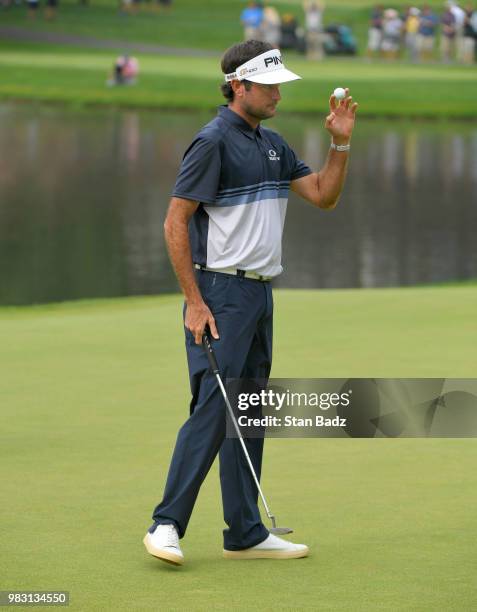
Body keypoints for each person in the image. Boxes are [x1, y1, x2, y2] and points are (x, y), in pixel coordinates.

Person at [143, 40, 358, 566]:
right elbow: (175, 220)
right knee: (214, 408)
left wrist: (340, 146)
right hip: (219, 292)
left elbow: (324, 196)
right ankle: (166, 524)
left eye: (279, 85)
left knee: (250, 411)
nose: (278, 94)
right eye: (269, 85)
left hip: (260, 294)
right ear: (239, 85)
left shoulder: (273, 144)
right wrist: (193, 302)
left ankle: (245, 531)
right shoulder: (212, 141)